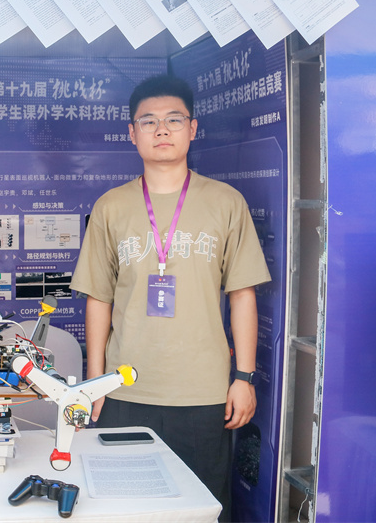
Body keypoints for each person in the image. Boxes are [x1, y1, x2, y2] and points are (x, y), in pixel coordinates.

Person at [70, 75, 270, 520]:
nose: (162, 130)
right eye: (149, 121)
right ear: (132, 132)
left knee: (198, 510)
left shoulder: (226, 202)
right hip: (123, 390)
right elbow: (98, 299)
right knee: (123, 508)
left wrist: (244, 378)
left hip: (203, 392)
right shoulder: (110, 207)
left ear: (192, 128)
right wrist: (94, 382)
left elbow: (242, 294)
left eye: (174, 119)